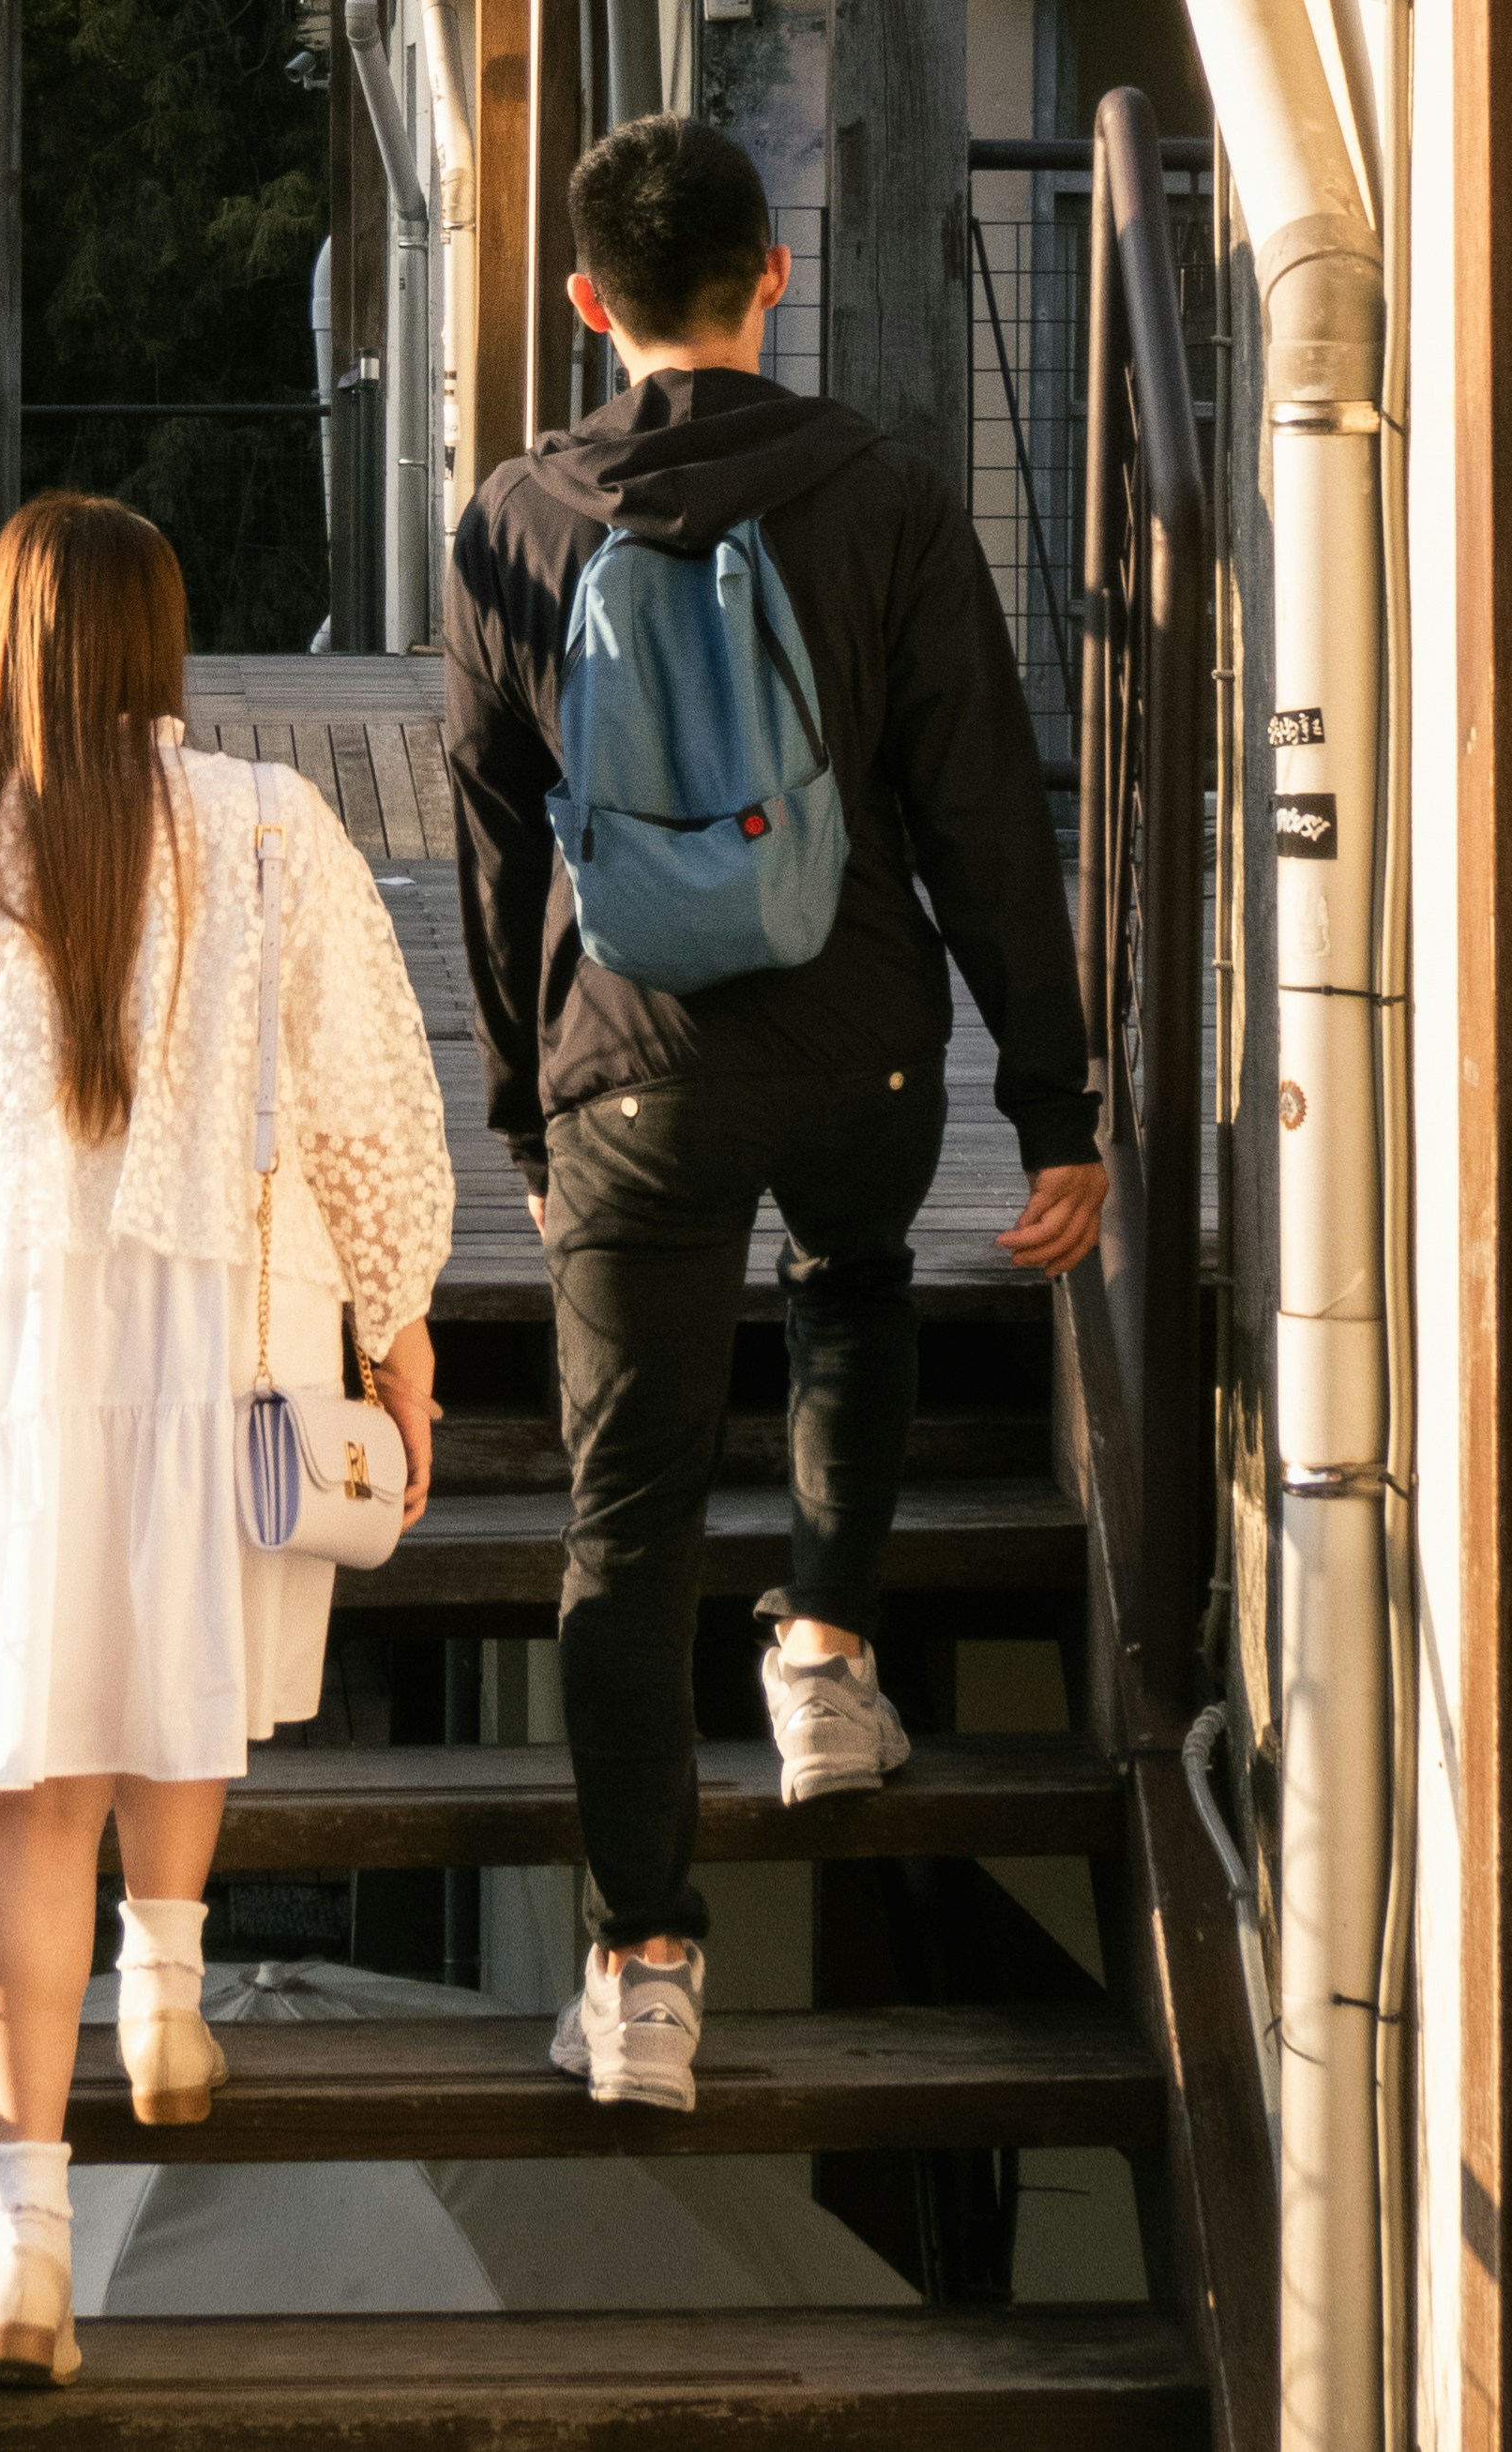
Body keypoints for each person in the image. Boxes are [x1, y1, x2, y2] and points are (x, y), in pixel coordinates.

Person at [0, 492, 454, 2386]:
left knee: (26, 1791)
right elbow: (371, 1104)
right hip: (224, 1336)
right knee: (179, 1666)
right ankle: (166, 1978)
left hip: (4, 1365)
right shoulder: (267, 831)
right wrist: (402, 1346)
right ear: (159, 648)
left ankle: (25, 2250)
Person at [444, 115, 1106, 2122]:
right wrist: (1051, 1091)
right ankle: (826, 1653)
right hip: (863, 1049)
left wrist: (523, 1096)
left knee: (622, 1533)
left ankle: (645, 1969)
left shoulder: (514, 519)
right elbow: (984, 805)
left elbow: (491, 840)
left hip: (628, 1064)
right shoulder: (888, 495)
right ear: (773, 273)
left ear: (589, 302)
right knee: (853, 1281)